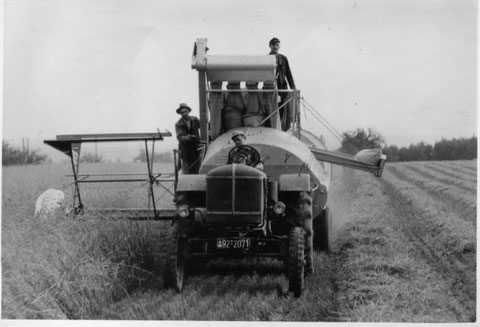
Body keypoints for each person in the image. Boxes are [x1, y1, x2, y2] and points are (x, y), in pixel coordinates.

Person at [268, 37, 296, 131]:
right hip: (271, 88)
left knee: (283, 110)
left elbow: (288, 73)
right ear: (270, 46)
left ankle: (282, 130)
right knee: (272, 110)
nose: (275, 47)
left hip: (282, 88)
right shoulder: (266, 59)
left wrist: (293, 87)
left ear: (279, 46)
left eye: (277, 45)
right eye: (273, 45)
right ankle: (273, 129)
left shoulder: (283, 59)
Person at [175, 103, 201, 174]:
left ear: (188, 111)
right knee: (186, 165)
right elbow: (179, 137)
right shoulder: (178, 124)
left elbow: (203, 127)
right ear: (180, 113)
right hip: (185, 147)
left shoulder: (195, 119)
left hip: (196, 145)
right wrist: (187, 137)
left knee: (197, 163)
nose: (184, 113)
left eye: (185, 111)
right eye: (182, 112)